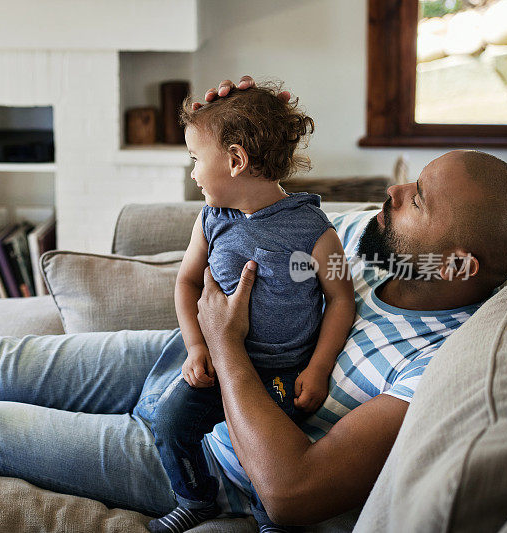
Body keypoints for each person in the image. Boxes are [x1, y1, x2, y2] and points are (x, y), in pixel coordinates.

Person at [0, 76, 507, 529]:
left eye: (418, 199)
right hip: (175, 356)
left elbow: (291, 490)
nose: (394, 188)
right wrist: (229, 117)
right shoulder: (371, 248)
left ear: (460, 261)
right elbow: (261, 199)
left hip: (200, 446)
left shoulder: (432, 364)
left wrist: (225, 349)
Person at [147, 84, 355, 533]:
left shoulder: (314, 228)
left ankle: (272, 521)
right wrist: (196, 346)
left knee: (264, 452)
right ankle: (196, 498)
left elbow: (341, 298)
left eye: (195, 160)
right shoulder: (211, 220)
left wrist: (318, 368)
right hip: (217, 365)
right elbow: (186, 282)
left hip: (278, 376)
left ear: (236, 160)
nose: (194, 175)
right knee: (169, 421)